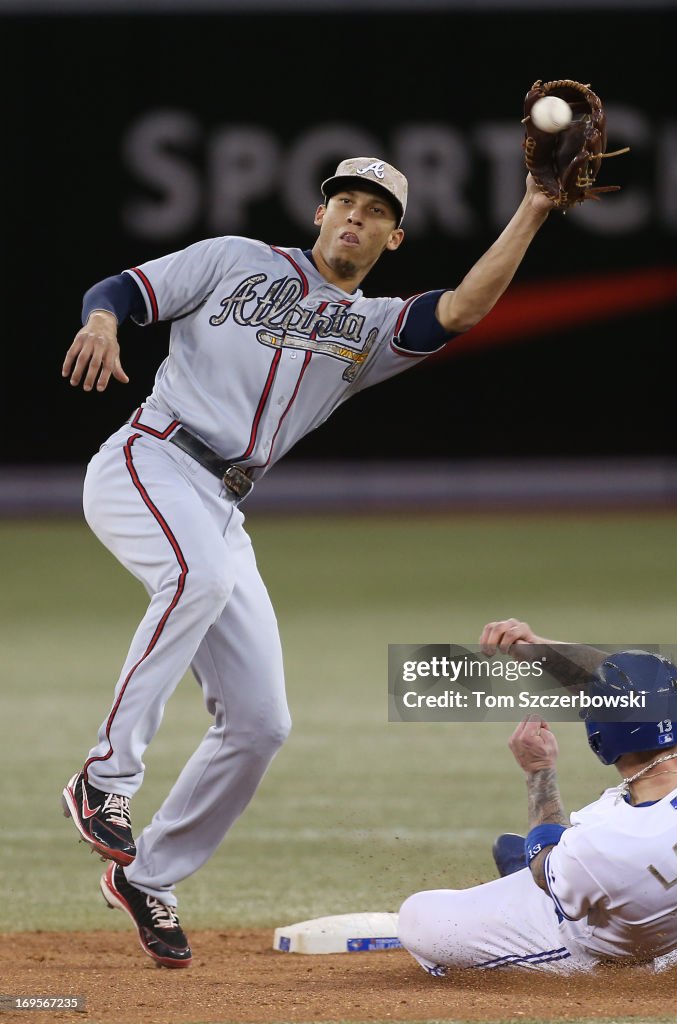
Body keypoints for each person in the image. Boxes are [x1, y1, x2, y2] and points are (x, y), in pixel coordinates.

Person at [59, 159, 554, 968]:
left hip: (222, 503)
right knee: (199, 579)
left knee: (261, 723)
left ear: (393, 238)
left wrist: (533, 206)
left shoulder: (371, 329)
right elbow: (121, 288)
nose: (353, 219)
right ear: (321, 213)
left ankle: (148, 875)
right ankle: (103, 780)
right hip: (148, 459)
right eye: (344, 203)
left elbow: (463, 308)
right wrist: (104, 322)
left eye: (373, 213)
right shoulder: (232, 259)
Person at [397, 618, 677, 975]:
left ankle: (605, 974)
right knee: (548, 861)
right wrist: (538, 649)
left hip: (614, 950)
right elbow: (624, 686)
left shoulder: (611, 840)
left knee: (418, 917)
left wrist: (538, 770)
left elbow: (544, 869)